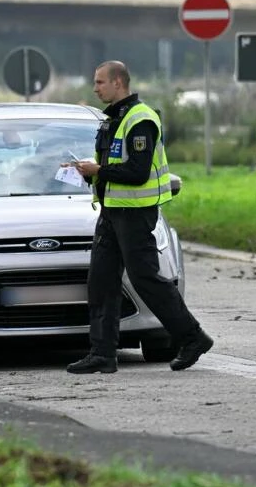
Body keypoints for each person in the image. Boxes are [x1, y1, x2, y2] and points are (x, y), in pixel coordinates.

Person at [65, 60, 213, 374]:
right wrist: (87, 173)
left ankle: (192, 337)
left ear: (118, 82)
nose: (95, 88)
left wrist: (99, 170)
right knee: (101, 282)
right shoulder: (112, 119)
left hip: (135, 215)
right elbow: (111, 165)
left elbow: (137, 172)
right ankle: (103, 353)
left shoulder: (140, 119)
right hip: (111, 213)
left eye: (100, 82)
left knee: (145, 279)